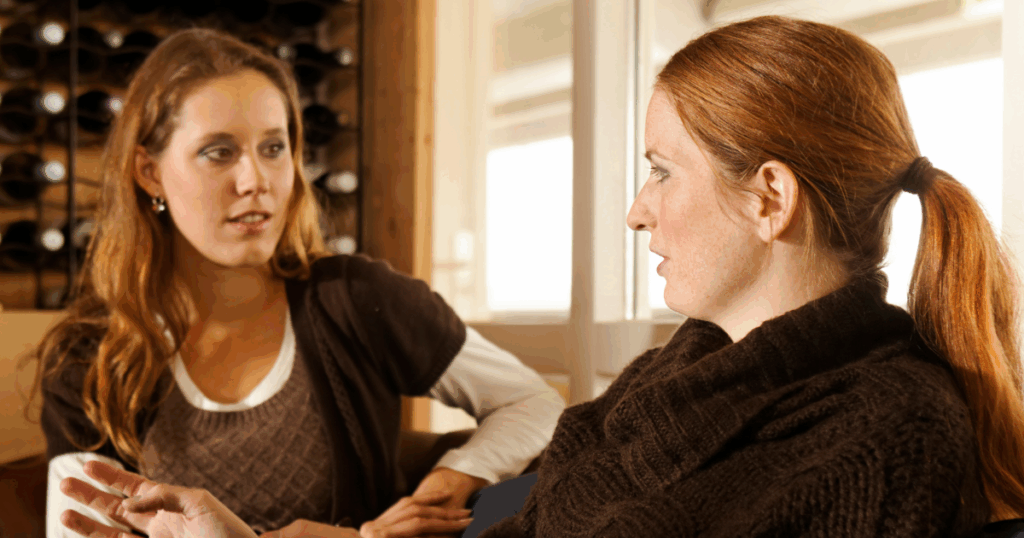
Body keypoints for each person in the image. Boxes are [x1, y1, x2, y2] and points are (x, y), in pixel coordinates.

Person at [59, 13, 1024, 538]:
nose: (638, 208)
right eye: (219, 152)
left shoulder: (882, 438)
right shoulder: (663, 380)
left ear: (768, 198)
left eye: (658, 170)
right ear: (149, 173)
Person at [32, 27, 565, 538]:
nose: (255, 181)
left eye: (273, 147)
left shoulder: (354, 299)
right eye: (219, 152)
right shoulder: (87, 359)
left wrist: (458, 476)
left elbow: (533, 403)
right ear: (149, 173)